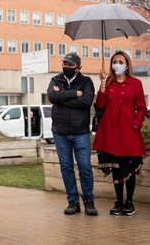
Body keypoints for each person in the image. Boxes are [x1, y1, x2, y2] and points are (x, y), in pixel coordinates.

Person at [93, 51, 147, 216]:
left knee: (129, 167)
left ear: (127, 65)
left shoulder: (136, 83)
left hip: (129, 132)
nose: (117, 64)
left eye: (120, 61)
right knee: (116, 167)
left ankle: (129, 202)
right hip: (111, 132)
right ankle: (119, 201)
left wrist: (137, 124)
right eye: (114, 61)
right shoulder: (108, 83)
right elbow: (100, 105)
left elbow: (142, 107)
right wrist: (102, 84)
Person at [48, 52, 98, 216]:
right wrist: (75, 93)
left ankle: (89, 202)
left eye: (70, 65)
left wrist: (62, 98)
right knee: (66, 167)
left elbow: (86, 101)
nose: (66, 67)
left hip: (80, 132)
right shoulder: (56, 80)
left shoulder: (86, 81)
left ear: (78, 68)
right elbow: (52, 96)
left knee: (84, 167)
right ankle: (73, 202)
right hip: (60, 132)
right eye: (65, 64)